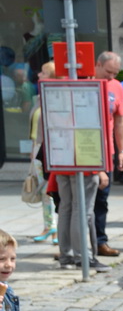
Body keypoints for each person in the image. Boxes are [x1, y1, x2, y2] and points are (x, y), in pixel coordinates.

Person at [92, 50, 123, 258]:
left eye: (115, 73)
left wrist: (121, 150)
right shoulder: (84, 83)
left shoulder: (116, 87)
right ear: (97, 64)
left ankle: (99, 241)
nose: (111, 77)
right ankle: (76, 244)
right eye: (108, 72)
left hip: (107, 151)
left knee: (101, 199)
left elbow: (120, 120)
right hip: (86, 151)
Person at [28, 61, 56, 243]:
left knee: (49, 189)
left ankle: (53, 227)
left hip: (48, 150)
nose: (39, 75)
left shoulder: (52, 97)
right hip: (38, 149)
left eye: (43, 72)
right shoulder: (39, 97)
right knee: (44, 190)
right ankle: (50, 226)